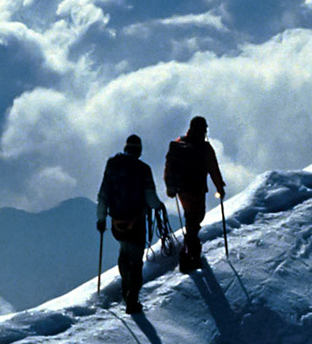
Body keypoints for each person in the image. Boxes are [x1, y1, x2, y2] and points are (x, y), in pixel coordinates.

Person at [96, 134, 165, 314]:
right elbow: (150, 198)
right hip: (136, 223)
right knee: (135, 261)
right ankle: (131, 299)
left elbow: (103, 193)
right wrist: (159, 206)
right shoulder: (143, 169)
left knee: (124, 251)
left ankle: (126, 287)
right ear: (139, 150)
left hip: (116, 223)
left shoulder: (112, 165)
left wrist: (101, 218)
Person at [164, 115, 225, 273]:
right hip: (197, 190)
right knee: (195, 219)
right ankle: (190, 254)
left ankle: (190, 253)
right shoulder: (205, 148)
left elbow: (169, 166)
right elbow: (213, 169)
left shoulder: (178, 144)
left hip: (182, 191)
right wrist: (220, 187)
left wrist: (170, 187)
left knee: (190, 217)